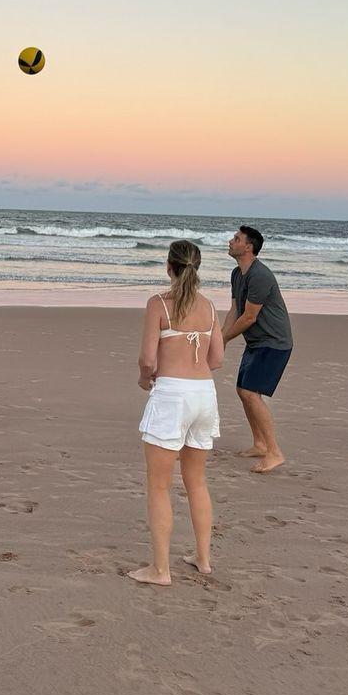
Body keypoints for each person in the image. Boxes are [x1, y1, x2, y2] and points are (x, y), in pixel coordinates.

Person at [128, 240, 224, 587]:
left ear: (169, 267)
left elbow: (148, 359)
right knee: (196, 480)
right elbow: (216, 360)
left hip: (172, 396)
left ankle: (161, 569)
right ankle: (203, 558)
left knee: (158, 485)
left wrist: (144, 378)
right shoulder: (210, 307)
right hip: (204, 395)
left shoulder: (159, 304)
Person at [222, 225, 293, 474]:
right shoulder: (236, 274)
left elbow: (250, 317)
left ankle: (275, 452)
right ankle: (260, 444)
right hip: (256, 342)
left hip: (274, 342)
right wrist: (221, 337)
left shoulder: (259, 275)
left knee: (251, 393)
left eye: (236, 239)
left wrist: (225, 340)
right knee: (243, 391)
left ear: (248, 247)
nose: (231, 241)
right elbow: (235, 311)